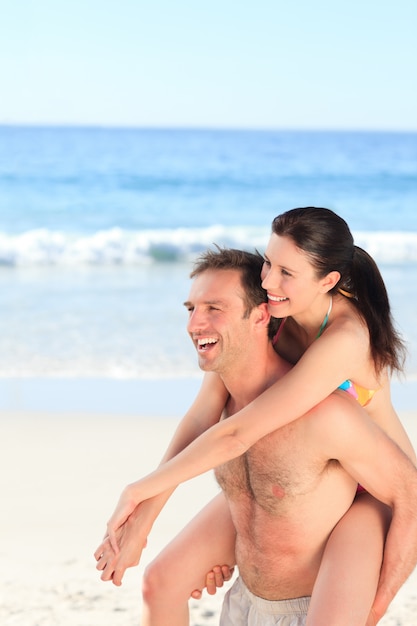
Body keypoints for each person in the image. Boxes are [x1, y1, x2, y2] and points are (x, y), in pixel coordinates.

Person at [96, 209, 417, 624]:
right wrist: (144, 520)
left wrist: (136, 492)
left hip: (368, 490)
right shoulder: (275, 311)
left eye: (287, 272)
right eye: (268, 262)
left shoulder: (346, 338)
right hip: (301, 466)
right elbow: (201, 420)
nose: (268, 282)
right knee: (164, 578)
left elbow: (238, 434)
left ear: (328, 281)